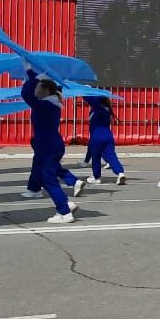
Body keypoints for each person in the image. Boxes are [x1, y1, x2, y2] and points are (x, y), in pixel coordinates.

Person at [20, 70, 81, 222]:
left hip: (48, 146)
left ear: (45, 90)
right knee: (45, 176)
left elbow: (26, 94)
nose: (36, 91)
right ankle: (66, 203)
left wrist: (31, 74)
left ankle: (64, 212)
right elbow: (33, 92)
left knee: (48, 179)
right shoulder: (51, 103)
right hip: (48, 145)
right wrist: (32, 76)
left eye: (38, 88)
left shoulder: (46, 105)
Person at [83, 96, 126, 185]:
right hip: (108, 136)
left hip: (97, 136)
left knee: (96, 158)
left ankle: (97, 177)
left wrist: (84, 92)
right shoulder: (108, 110)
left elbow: (91, 100)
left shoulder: (99, 109)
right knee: (111, 156)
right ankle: (120, 173)